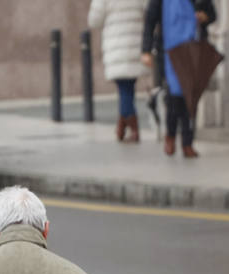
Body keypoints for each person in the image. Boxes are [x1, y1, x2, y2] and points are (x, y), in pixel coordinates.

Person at [141, 0, 218, 157]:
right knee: (174, 96)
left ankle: (187, 142)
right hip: (169, 51)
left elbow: (212, 14)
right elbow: (150, 19)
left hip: (193, 49)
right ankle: (170, 135)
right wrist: (146, 50)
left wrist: (205, 17)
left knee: (191, 96)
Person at [88, 0, 146, 142]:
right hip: (135, 42)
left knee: (124, 88)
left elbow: (94, 20)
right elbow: (148, 9)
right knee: (128, 87)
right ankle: (121, 125)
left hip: (116, 44)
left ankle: (133, 127)